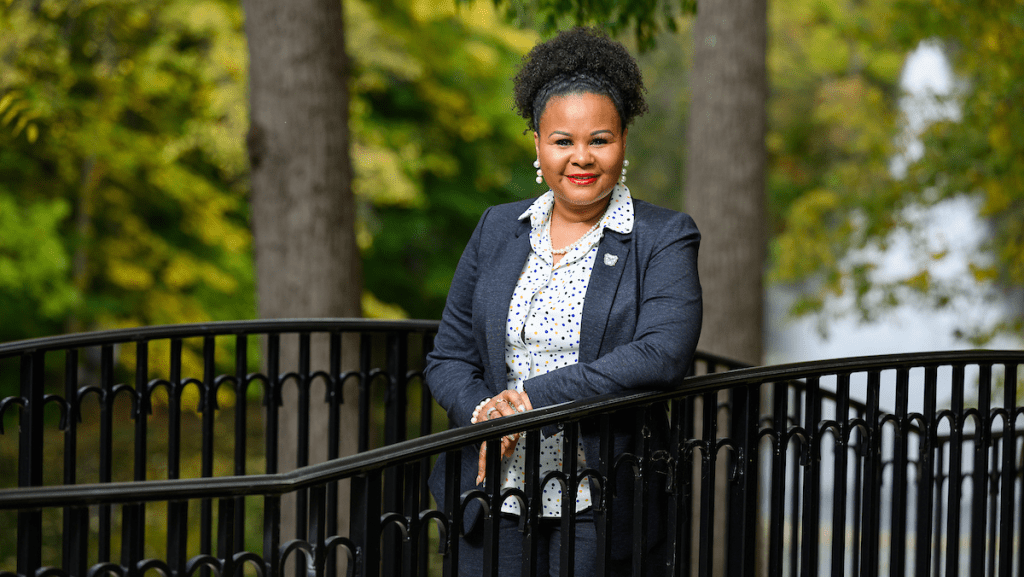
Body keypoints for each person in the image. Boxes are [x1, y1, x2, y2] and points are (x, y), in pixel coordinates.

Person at [424, 26, 702, 577]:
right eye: (562, 141)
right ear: (537, 143)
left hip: (600, 498)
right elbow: (449, 356)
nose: (581, 158)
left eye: (599, 139)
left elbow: (661, 354)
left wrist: (526, 402)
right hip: (493, 490)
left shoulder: (664, 236)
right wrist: (485, 413)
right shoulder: (498, 227)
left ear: (624, 141)